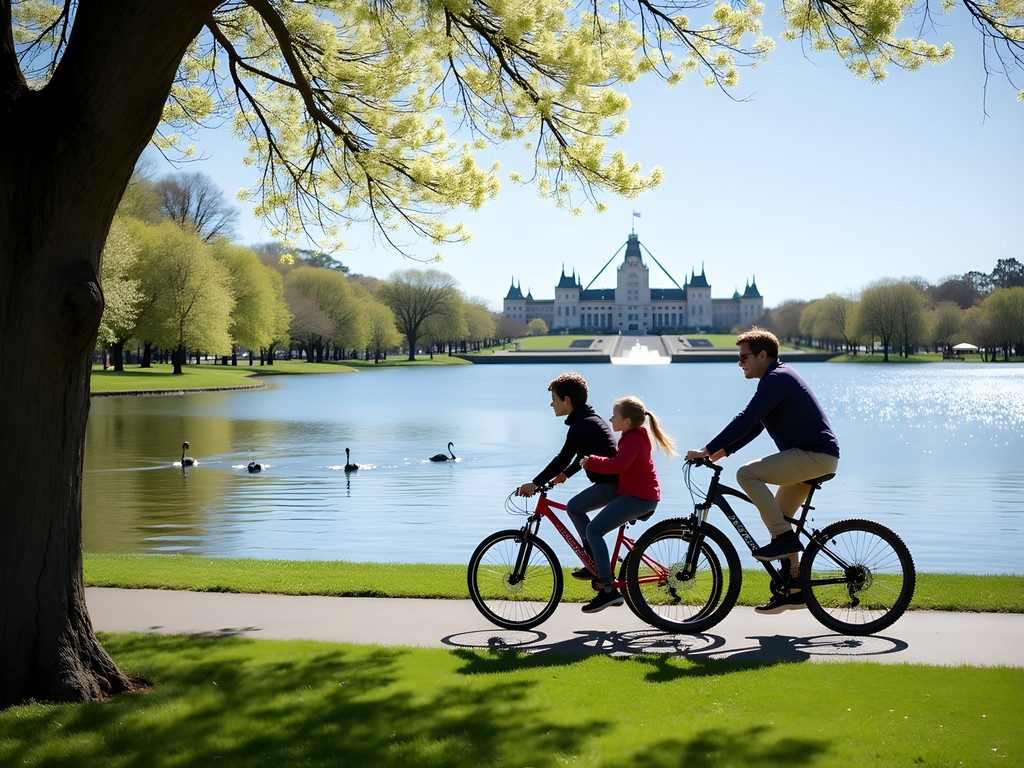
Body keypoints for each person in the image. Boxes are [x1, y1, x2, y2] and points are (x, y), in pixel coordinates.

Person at [685, 327, 840, 614]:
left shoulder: (777, 378)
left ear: (763, 355)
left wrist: (707, 448)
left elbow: (746, 418)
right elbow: (755, 427)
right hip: (811, 457)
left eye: (744, 357)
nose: (740, 363)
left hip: (814, 456)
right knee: (779, 520)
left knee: (746, 474)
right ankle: (794, 590)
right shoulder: (775, 379)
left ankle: (785, 541)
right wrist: (720, 453)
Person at [515, 372, 618, 581]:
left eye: (554, 399)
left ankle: (596, 566)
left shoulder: (582, 424)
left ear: (566, 400)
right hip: (612, 483)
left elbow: (563, 457)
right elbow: (583, 454)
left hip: (612, 485)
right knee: (579, 512)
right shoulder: (588, 419)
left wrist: (534, 483)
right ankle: (594, 562)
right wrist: (565, 475)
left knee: (574, 508)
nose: (551, 405)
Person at [579, 395, 676, 613]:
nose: (611, 419)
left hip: (638, 498)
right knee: (596, 530)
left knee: (593, 530)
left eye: (615, 415)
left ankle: (607, 590)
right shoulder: (634, 436)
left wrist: (591, 461)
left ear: (628, 421)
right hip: (638, 496)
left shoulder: (632, 439)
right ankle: (603, 574)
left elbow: (619, 465)